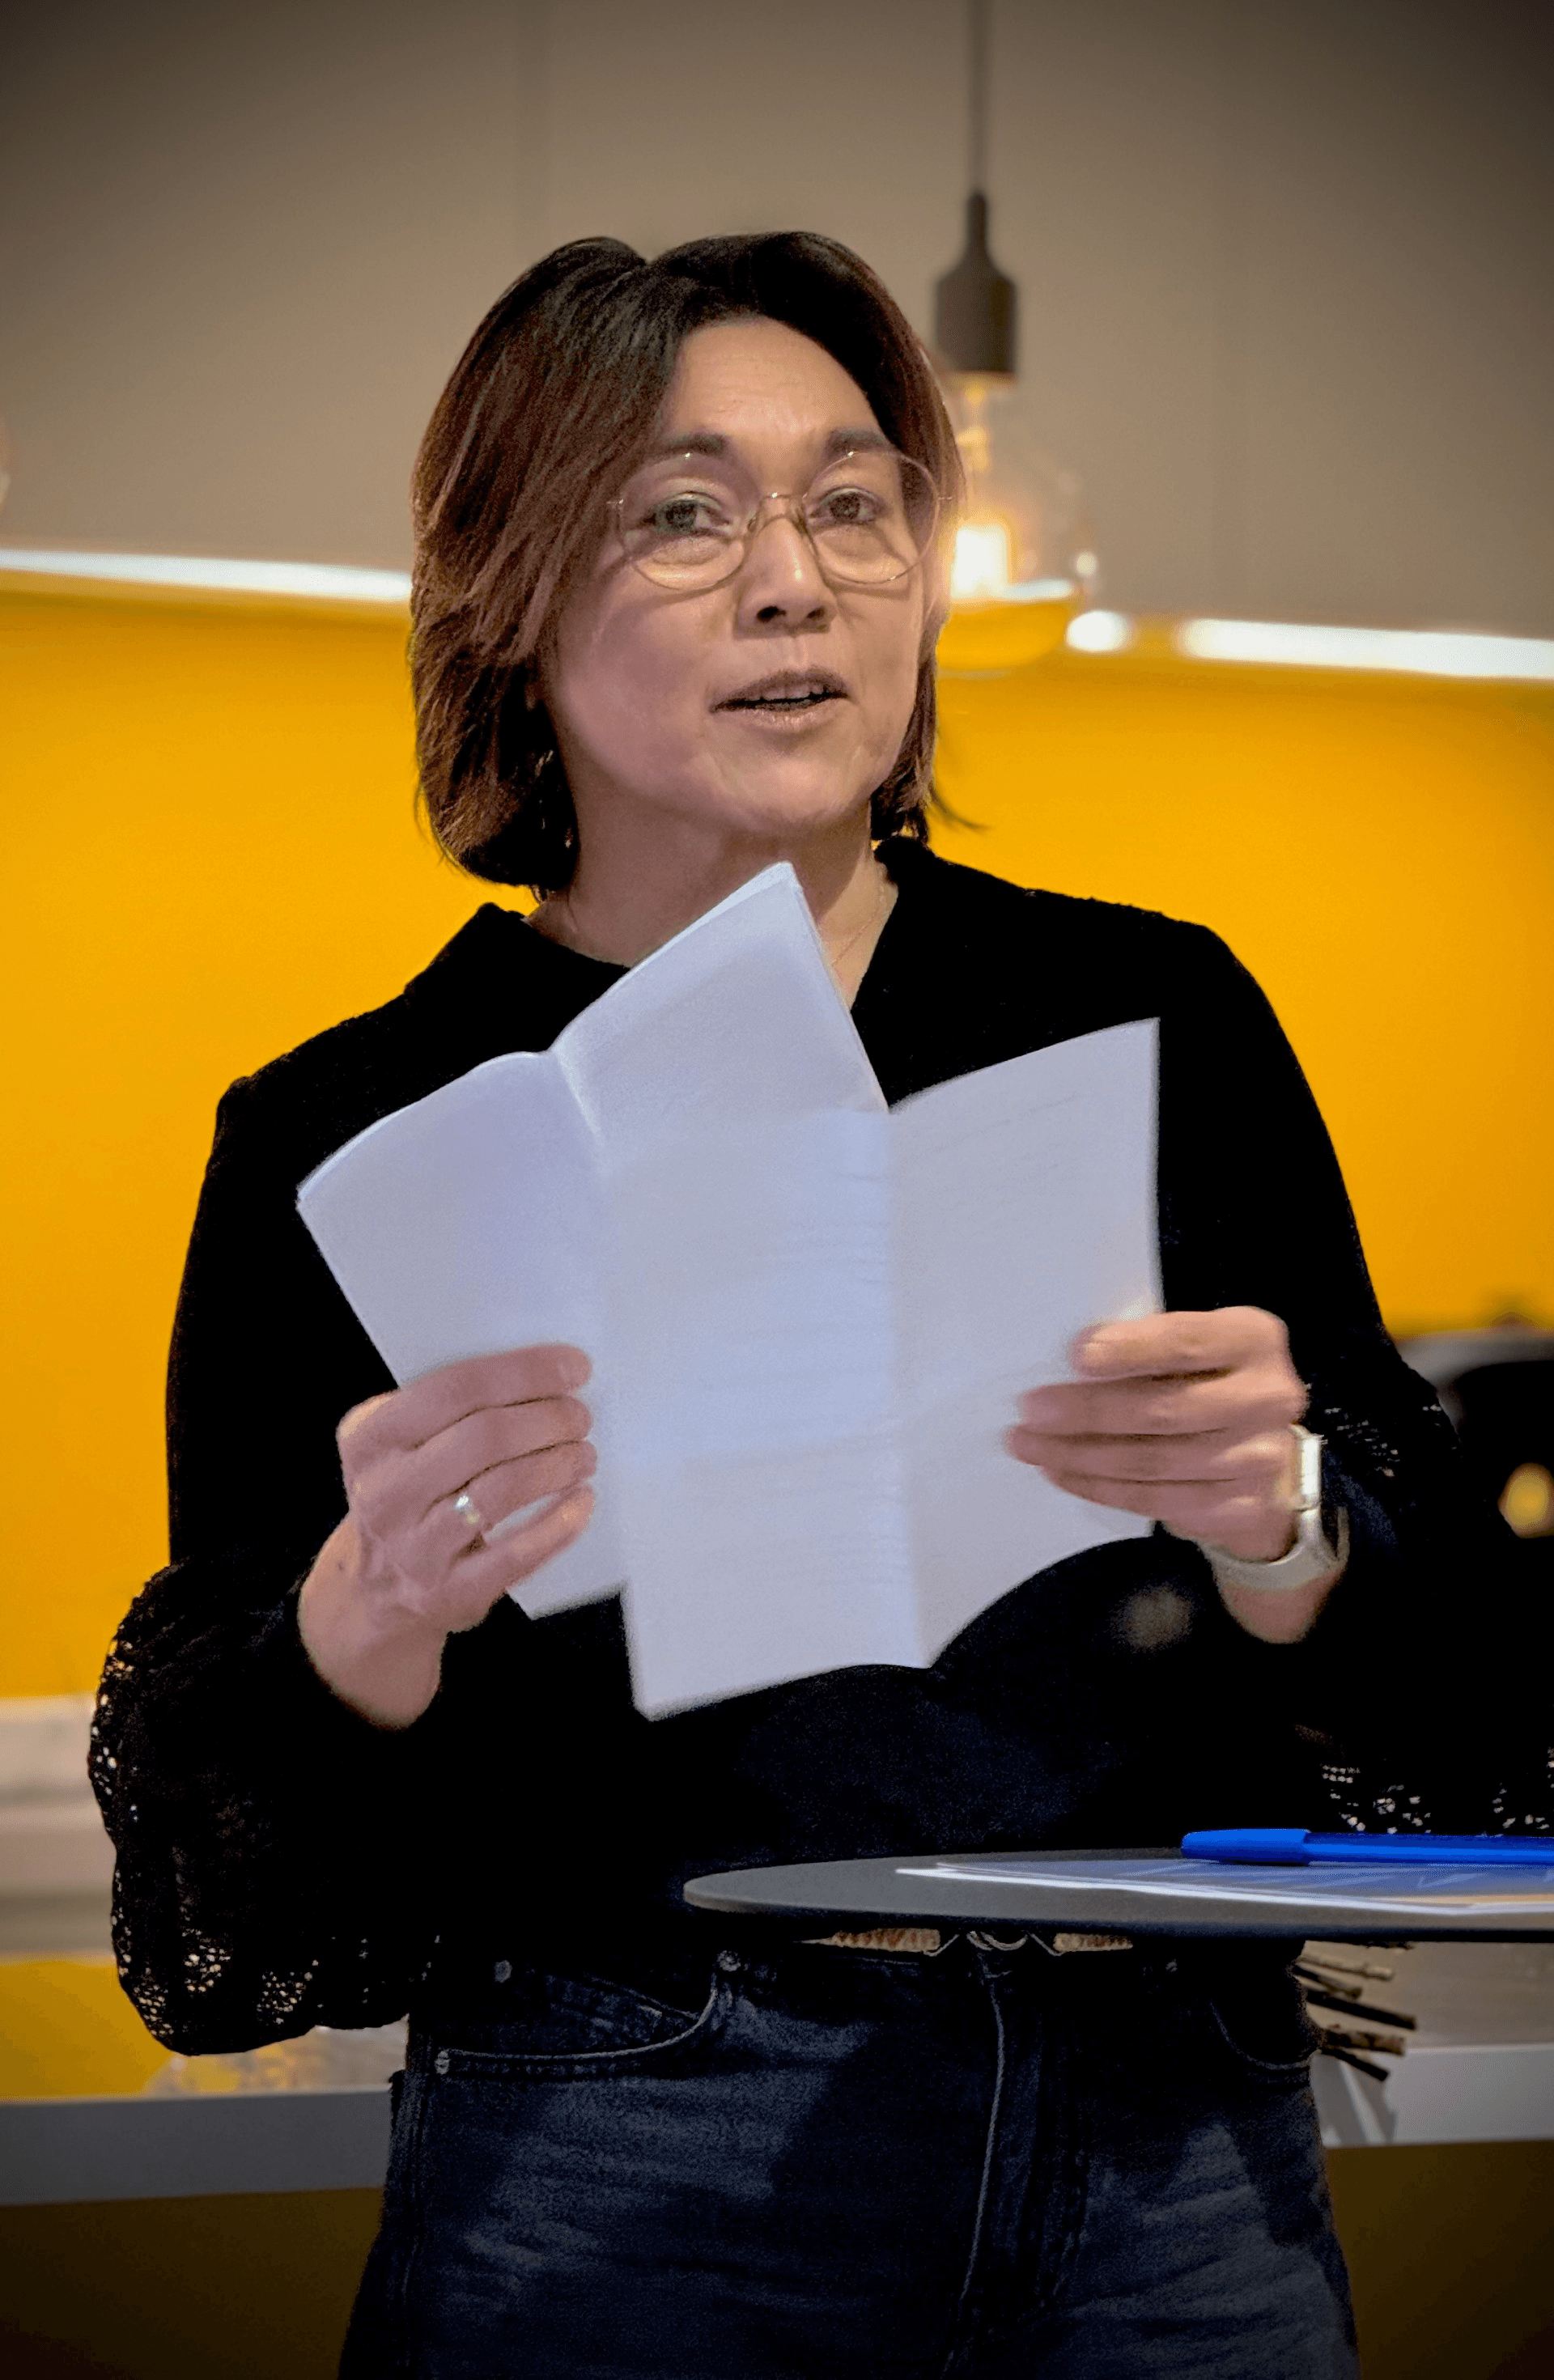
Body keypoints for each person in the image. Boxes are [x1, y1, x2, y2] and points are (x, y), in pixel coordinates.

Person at [93, 233, 1548, 2379]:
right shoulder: (360, 1128)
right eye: (683, 512)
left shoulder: (1153, 1014)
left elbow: (1476, 1718)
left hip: (1170, 2140)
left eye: (856, 502)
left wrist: (1295, 1518)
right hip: (627, 2136)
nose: (797, 578)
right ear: (507, 601)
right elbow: (215, 1939)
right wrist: (361, 1622)